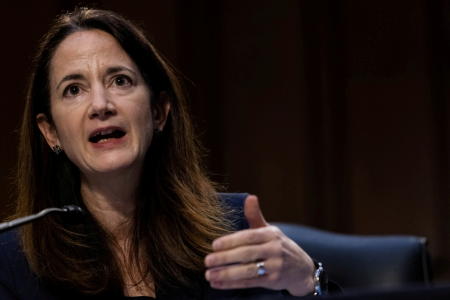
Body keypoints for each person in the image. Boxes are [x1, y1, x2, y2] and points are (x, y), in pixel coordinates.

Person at [0, 8, 322, 299]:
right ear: (50, 131)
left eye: (120, 81)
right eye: (73, 89)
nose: (100, 105)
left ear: (158, 112)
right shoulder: (13, 263)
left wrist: (306, 283)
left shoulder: (233, 230)